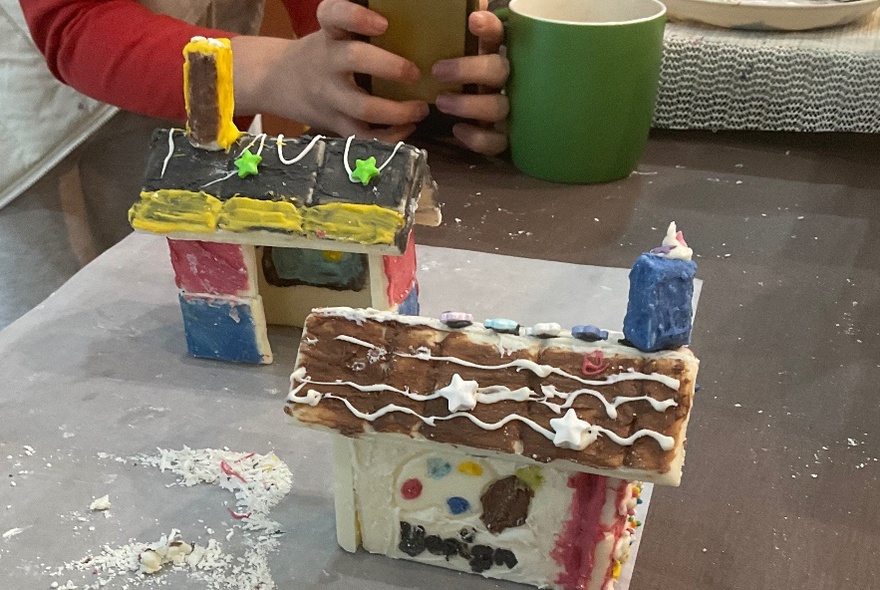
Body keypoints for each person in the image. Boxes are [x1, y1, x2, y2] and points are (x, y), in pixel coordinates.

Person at [20, 0, 509, 155]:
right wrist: (278, 71)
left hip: (231, 81)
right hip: (56, 142)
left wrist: (351, 35)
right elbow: (75, 22)